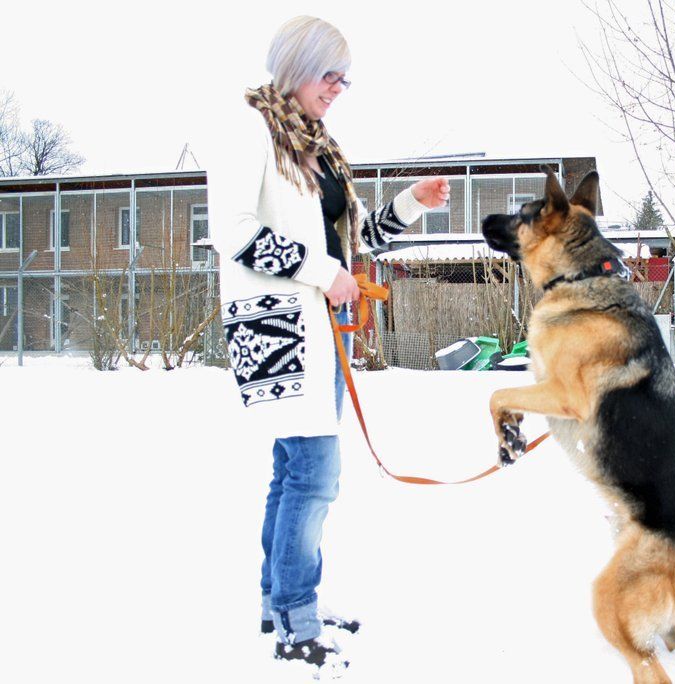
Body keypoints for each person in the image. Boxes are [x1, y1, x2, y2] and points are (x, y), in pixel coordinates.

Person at [207, 15, 450, 676]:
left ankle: (280, 602)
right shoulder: (252, 129)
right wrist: (323, 273)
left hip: (322, 330)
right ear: (297, 67)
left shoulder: (316, 145)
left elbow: (358, 237)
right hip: (276, 331)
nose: (340, 87)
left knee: (293, 470)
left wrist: (411, 201)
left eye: (346, 78)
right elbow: (232, 230)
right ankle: (296, 620)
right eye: (330, 74)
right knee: (314, 474)